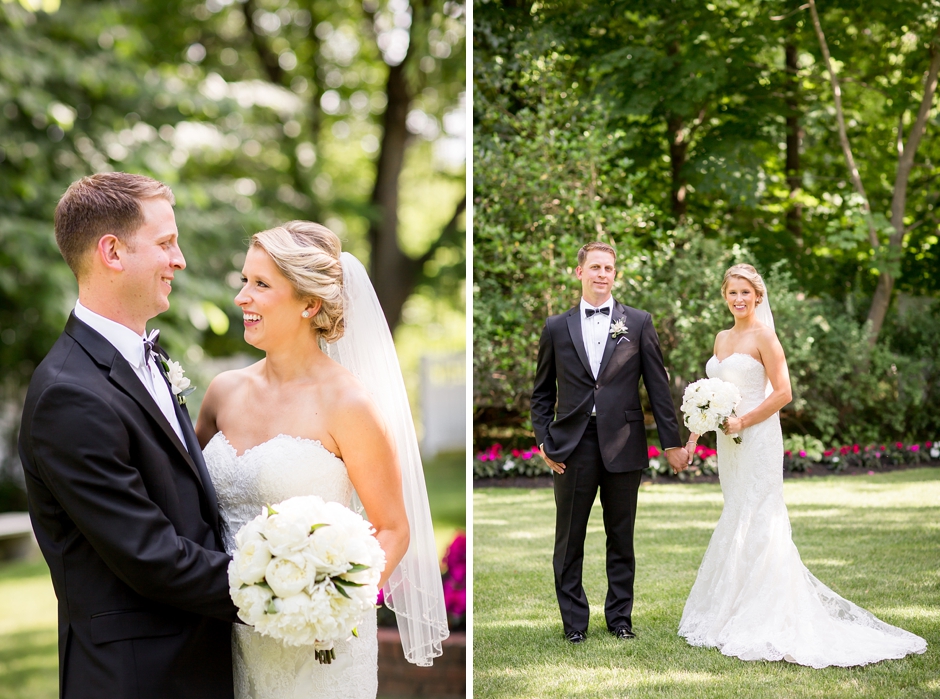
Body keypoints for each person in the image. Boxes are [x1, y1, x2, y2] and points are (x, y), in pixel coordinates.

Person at [196, 221, 448, 698]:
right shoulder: (223, 393)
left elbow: (393, 527)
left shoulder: (349, 405)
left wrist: (335, 607)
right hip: (219, 633)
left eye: (261, 284)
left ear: (309, 304)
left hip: (317, 648)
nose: (242, 297)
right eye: (244, 281)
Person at [18, 173, 239, 698]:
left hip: (196, 665)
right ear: (112, 253)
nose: (180, 260)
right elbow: (150, 557)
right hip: (138, 679)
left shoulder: (143, 360)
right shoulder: (68, 395)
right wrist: (286, 587)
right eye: (166, 243)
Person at [679, 263, 927, 667]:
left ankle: (765, 611)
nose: (739, 299)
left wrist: (744, 420)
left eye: (745, 292)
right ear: (724, 297)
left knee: (761, 513)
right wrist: (695, 433)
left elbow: (783, 393)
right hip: (729, 443)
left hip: (757, 436)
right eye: (732, 293)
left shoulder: (765, 335)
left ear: (758, 296)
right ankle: (729, 608)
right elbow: (714, 396)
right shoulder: (722, 337)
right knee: (737, 510)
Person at [531, 241, 690, 644]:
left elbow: (657, 386)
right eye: (596, 267)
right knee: (570, 540)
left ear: (615, 274)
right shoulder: (555, 327)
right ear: (579, 271)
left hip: (624, 442)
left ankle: (620, 618)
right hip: (572, 446)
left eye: (609, 268)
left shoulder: (637, 323)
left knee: (622, 537)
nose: (603, 274)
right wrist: (544, 441)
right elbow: (541, 394)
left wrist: (671, 442)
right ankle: (574, 625)